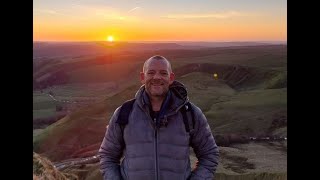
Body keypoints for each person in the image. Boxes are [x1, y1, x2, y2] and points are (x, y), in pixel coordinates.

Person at [98, 55, 219, 180]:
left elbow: (209, 155)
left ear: (171, 78)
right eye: (151, 72)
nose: (156, 77)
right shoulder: (124, 113)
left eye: (163, 73)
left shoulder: (190, 113)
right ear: (142, 77)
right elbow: (108, 155)